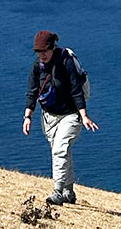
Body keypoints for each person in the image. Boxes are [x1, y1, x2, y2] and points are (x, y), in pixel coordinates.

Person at [22, 28, 97, 205]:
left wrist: (84, 116)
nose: (42, 55)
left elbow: (75, 89)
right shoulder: (37, 67)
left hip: (71, 115)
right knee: (61, 152)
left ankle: (57, 192)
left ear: (53, 47)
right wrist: (28, 116)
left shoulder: (65, 62)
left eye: (45, 51)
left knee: (60, 150)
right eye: (38, 52)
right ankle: (68, 191)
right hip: (48, 117)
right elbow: (32, 92)